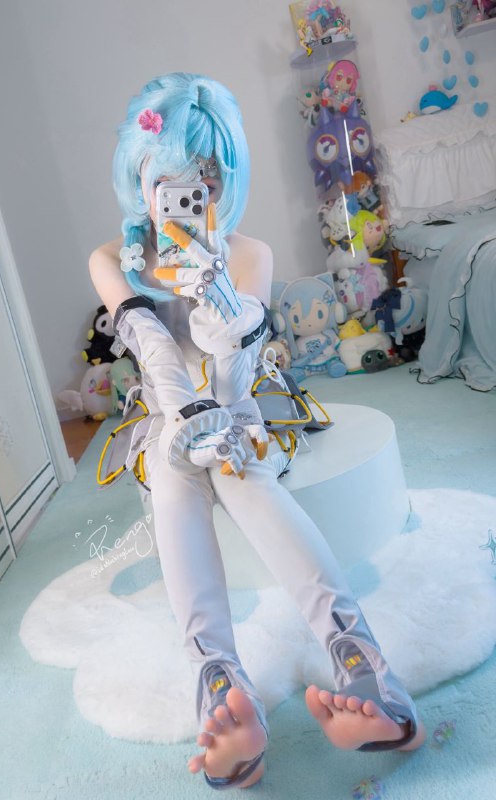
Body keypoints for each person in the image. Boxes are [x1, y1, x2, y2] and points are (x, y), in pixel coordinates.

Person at [89, 71, 425, 791]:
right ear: (138, 173)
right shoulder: (111, 259)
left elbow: (233, 379)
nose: (187, 192)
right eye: (169, 177)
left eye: (205, 179)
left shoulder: (249, 254)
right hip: (168, 416)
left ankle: (364, 667)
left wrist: (215, 293)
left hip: (238, 405)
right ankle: (219, 685)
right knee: (175, 478)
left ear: (226, 181)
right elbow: (154, 352)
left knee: (240, 470)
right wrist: (185, 422)